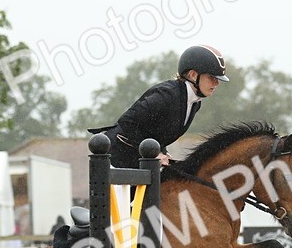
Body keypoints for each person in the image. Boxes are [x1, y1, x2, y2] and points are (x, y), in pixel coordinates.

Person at [89, 44, 229, 168]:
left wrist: (163, 152)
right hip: (117, 160)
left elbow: (156, 132)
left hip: (138, 162)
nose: (216, 83)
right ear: (193, 75)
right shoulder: (167, 95)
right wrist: (154, 153)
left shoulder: (194, 102)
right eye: (212, 78)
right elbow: (128, 124)